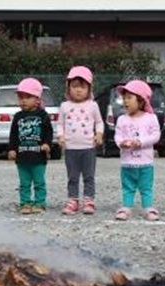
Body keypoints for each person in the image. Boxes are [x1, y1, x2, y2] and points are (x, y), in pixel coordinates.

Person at [57, 65, 104, 215]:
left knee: (89, 176)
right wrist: (60, 136)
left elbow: (99, 122)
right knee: (72, 177)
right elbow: (60, 124)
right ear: (68, 88)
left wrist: (99, 134)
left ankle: (89, 200)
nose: (78, 90)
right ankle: (73, 200)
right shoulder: (64, 106)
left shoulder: (93, 105)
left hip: (88, 147)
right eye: (74, 86)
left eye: (82, 87)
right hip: (71, 148)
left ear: (89, 89)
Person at [114, 80, 161, 221]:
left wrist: (140, 142)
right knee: (128, 187)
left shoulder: (151, 118)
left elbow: (155, 135)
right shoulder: (122, 119)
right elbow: (118, 135)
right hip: (127, 162)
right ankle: (126, 207)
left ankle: (148, 208)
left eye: (129, 98)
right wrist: (121, 144)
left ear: (141, 100)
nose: (125, 101)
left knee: (146, 187)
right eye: (124, 98)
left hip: (146, 162)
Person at [7, 78, 54, 214]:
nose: (23, 101)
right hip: (22, 156)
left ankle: (40, 203)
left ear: (37, 99)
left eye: (28, 97)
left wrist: (46, 144)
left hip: (38, 156)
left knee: (39, 182)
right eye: (21, 97)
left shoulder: (43, 115)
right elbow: (14, 135)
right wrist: (11, 149)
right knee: (24, 183)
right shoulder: (18, 116)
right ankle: (25, 203)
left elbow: (48, 131)